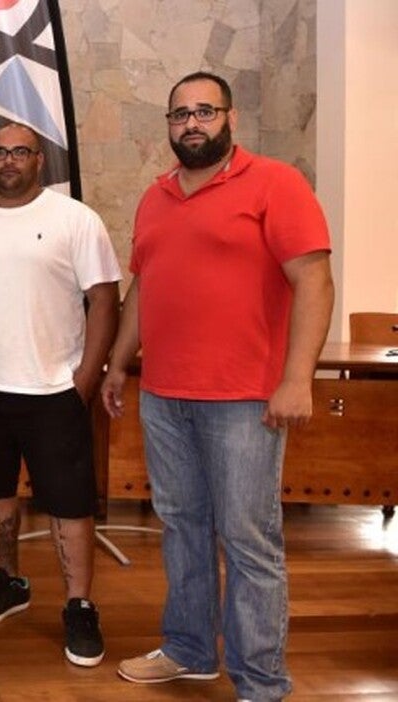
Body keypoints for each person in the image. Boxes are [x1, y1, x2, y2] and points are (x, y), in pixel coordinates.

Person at [101, 72, 333, 699]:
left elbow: (314, 280)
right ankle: (190, 649)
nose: (192, 123)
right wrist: (119, 362)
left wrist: (298, 379)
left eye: (204, 111)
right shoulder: (155, 197)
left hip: (245, 401)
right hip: (165, 397)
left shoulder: (276, 183)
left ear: (231, 118)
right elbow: (144, 287)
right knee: (182, 527)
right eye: (180, 115)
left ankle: (261, 682)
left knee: (249, 541)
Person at [0, 122, 120, 667]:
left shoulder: (75, 219)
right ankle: (8, 580)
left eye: (20, 151)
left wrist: (86, 378)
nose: (8, 160)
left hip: (53, 388)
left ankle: (80, 605)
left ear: (39, 160)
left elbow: (105, 299)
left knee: (69, 501)